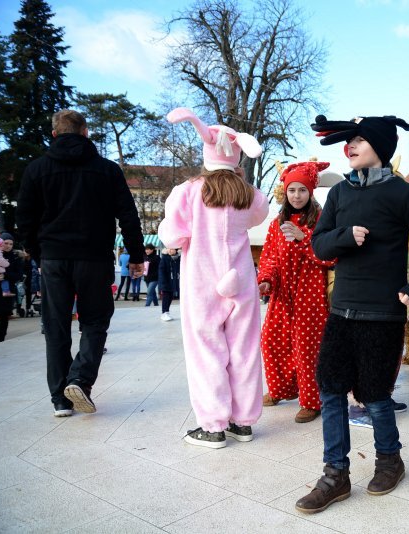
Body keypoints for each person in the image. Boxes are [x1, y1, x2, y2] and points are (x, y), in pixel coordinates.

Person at [294, 114, 409, 513]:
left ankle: (389, 460)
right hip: (341, 310)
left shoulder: (403, 194)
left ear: (380, 146)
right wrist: (347, 236)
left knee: (376, 396)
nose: (351, 146)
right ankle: (335, 476)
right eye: (350, 141)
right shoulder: (341, 194)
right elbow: (319, 246)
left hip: (383, 312)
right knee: (330, 391)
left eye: (360, 140)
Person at [16, 109, 144, 417]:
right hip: (95, 258)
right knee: (95, 322)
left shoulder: (37, 170)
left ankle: (61, 400)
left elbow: (24, 220)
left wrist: (37, 251)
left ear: (55, 134)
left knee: (56, 326)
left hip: (54, 258)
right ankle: (80, 380)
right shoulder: (107, 170)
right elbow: (127, 214)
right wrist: (136, 255)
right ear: (86, 132)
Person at [158, 107, 268, 449]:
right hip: (240, 279)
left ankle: (213, 425)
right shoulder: (249, 194)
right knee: (245, 350)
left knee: (206, 349)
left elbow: (172, 237)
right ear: (236, 156)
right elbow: (258, 217)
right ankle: (243, 421)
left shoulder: (189, 191)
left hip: (203, 282)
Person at [258, 160, 335, 424]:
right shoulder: (276, 223)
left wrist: (304, 238)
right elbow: (269, 256)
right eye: (292, 190)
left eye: (302, 190)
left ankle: (312, 401)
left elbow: (330, 257)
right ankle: (281, 389)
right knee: (271, 339)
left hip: (310, 293)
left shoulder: (323, 219)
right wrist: (266, 279)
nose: (297, 195)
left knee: (307, 347)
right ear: (286, 192)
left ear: (311, 191)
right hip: (282, 293)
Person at [0, 233, 25, 345]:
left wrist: (5, 276)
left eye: (10, 244)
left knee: (4, 319)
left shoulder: (16, 257)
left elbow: (19, 275)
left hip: (6, 293)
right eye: (5, 243)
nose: (8, 246)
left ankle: (1, 341)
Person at [158, 248, 176, 321]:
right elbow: (161, 270)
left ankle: (167, 312)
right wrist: (163, 282)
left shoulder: (176, 258)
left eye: (173, 249)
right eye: (170, 249)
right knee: (166, 297)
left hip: (172, 281)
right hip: (165, 281)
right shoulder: (165, 258)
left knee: (170, 297)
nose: (171, 251)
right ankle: (164, 313)